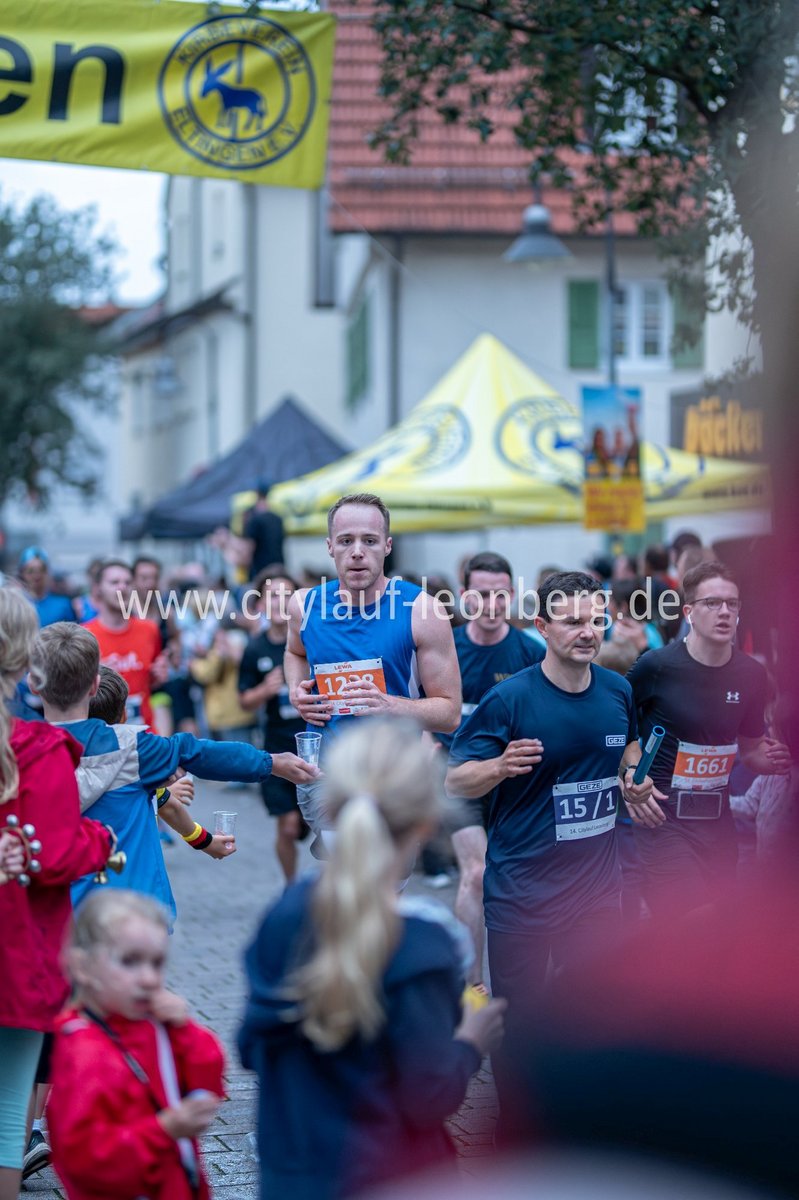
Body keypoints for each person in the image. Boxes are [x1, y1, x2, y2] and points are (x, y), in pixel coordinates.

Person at [239, 719, 506, 1200]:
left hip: (293, 1176)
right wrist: (470, 1040)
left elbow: (248, 1047)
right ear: (425, 824)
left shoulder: (283, 917)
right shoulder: (426, 944)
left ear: (329, 805)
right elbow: (430, 1095)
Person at [446, 571, 655, 1090]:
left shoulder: (617, 689)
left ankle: (583, 1117)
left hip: (598, 890)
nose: (588, 632)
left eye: (597, 621)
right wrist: (499, 767)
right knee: (520, 1024)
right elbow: (454, 780)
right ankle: (518, 1121)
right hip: (525, 892)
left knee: (594, 1013)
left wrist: (633, 777)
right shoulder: (510, 699)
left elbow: (627, 748)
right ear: (542, 626)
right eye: (573, 621)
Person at [30, 623, 317, 919]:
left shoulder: (19, 755)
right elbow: (197, 752)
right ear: (94, 686)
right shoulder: (133, 748)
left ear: (33, 684)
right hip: (135, 911)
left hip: (57, 915)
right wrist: (271, 763)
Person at [0, 588, 113, 1200]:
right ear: (25, 669)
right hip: (17, 953)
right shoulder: (38, 750)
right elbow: (57, 855)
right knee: (6, 1116)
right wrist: (100, 839)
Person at [283, 493, 461, 849]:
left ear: (387, 546)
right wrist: (296, 690)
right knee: (348, 871)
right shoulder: (303, 604)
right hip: (326, 776)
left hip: (392, 779)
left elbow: (449, 714)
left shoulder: (422, 610)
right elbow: (294, 651)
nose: (357, 552)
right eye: (346, 541)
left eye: (369, 540)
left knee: (384, 877)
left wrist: (389, 705)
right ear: (330, 547)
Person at [625, 560, 791, 918]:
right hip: (663, 818)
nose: (724, 612)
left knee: (717, 922)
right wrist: (631, 774)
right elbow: (617, 726)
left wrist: (778, 759)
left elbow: (750, 750)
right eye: (712, 603)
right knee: (692, 915)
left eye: (732, 603)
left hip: (717, 820)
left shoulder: (752, 674)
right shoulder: (656, 667)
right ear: (688, 612)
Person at [48, 889, 225, 1200]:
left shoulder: (151, 1024)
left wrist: (184, 1029)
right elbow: (86, 1160)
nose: (149, 978)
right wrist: (165, 1129)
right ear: (83, 968)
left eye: (157, 963)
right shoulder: (83, 1051)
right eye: (130, 962)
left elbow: (208, 1076)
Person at [439, 552, 543, 988]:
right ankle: (471, 986)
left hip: (513, 781)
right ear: (464, 595)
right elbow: (419, 704)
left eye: (500, 595)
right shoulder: (443, 646)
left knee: (516, 879)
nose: (491, 604)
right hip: (459, 779)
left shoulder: (530, 652)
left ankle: (526, 980)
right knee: (478, 874)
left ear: (512, 594)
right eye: (481, 594)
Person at [238, 565, 307, 883]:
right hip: (277, 746)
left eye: (287, 595)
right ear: (261, 603)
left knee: (326, 827)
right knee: (288, 826)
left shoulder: (312, 640)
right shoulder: (255, 648)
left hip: (316, 743)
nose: (280, 602)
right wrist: (265, 690)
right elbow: (244, 701)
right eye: (273, 596)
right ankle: (291, 887)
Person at [83, 559, 169, 729]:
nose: (122, 587)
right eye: (114, 582)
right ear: (98, 589)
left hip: (144, 732)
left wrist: (159, 676)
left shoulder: (149, 630)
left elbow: (151, 681)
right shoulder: (84, 636)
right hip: (103, 734)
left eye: (128, 582)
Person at [17, 547, 77, 627]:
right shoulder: (17, 605)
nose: (36, 575)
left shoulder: (63, 605)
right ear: (22, 574)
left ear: (48, 572)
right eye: (30, 571)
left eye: (41, 570)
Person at [243, 482, 285, 580]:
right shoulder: (278, 518)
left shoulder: (254, 519)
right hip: (278, 570)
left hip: (259, 573)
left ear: (256, 493)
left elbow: (248, 550)